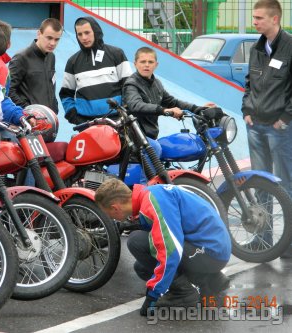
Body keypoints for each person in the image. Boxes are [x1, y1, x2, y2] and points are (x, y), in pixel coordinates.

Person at [95, 178, 231, 316]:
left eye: (108, 214)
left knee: (136, 241)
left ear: (115, 208)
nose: (110, 218)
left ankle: (183, 293)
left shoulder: (152, 202)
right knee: (142, 268)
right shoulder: (149, 193)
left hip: (212, 252)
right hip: (211, 248)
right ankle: (210, 279)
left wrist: (153, 295)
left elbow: (171, 250)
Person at [242, 0, 292, 200]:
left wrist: (285, 118)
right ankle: (264, 232)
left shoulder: (290, 48)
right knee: (260, 184)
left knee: (285, 184)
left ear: (275, 19)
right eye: (254, 17)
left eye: (259, 18)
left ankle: (289, 231)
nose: (254, 22)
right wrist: (246, 110)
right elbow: (249, 83)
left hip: (280, 128)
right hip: (254, 126)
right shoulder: (256, 48)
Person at [123, 47, 215, 139]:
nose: (147, 65)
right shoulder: (131, 84)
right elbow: (136, 105)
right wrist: (164, 110)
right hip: (136, 137)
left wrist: (198, 109)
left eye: (150, 62)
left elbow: (173, 102)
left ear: (156, 64)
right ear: (135, 64)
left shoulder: (156, 83)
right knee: (157, 149)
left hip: (150, 136)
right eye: (143, 62)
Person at [59, 16, 133, 125]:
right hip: (87, 124)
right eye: (80, 34)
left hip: (118, 121)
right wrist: (73, 115)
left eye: (87, 32)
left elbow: (130, 86)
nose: (84, 37)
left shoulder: (116, 54)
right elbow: (65, 94)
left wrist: (125, 110)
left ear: (96, 31)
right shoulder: (72, 62)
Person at [8, 18, 63, 114]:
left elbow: (51, 86)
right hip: (29, 121)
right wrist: (29, 112)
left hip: (48, 120)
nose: (53, 43)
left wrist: (54, 109)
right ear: (39, 34)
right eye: (49, 38)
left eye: (56, 39)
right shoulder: (21, 58)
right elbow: (9, 91)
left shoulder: (51, 57)